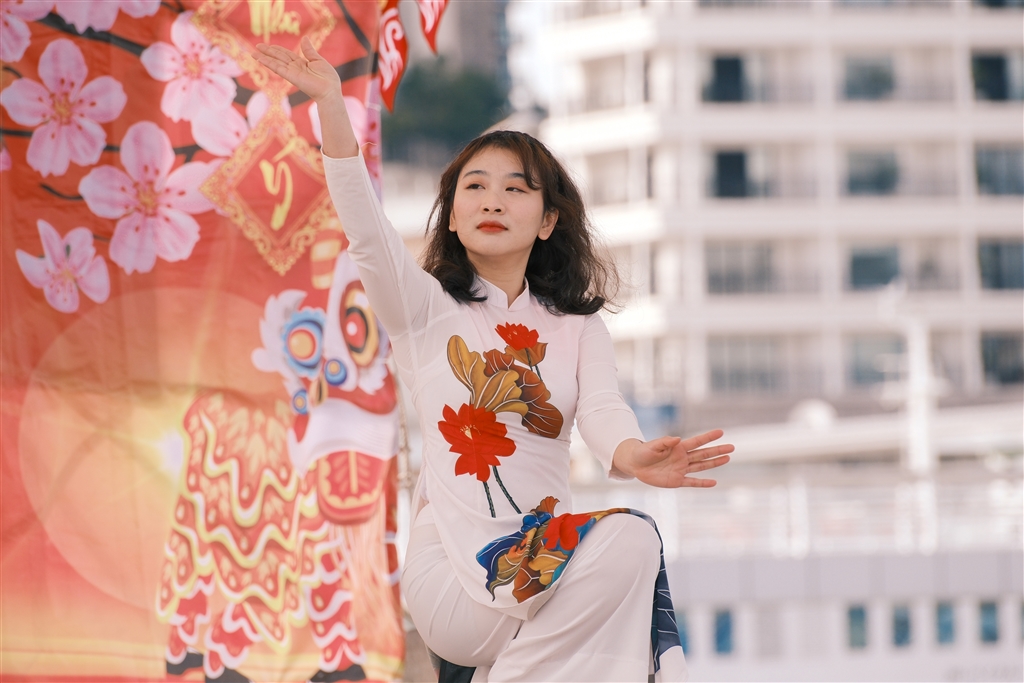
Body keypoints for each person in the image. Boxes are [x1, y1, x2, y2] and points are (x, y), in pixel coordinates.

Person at [254, 38, 733, 683]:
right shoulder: (424, 310)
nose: (492, 200)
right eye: (474, 187)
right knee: (626, 563)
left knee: (634, 539)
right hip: (455, 577)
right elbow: (365, 232)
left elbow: (602, 409)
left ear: (547, 221)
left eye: (515, 189)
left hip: (544, 571)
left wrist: (632, 453)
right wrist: (331, 108)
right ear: (452, 218)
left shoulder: (578, 327)